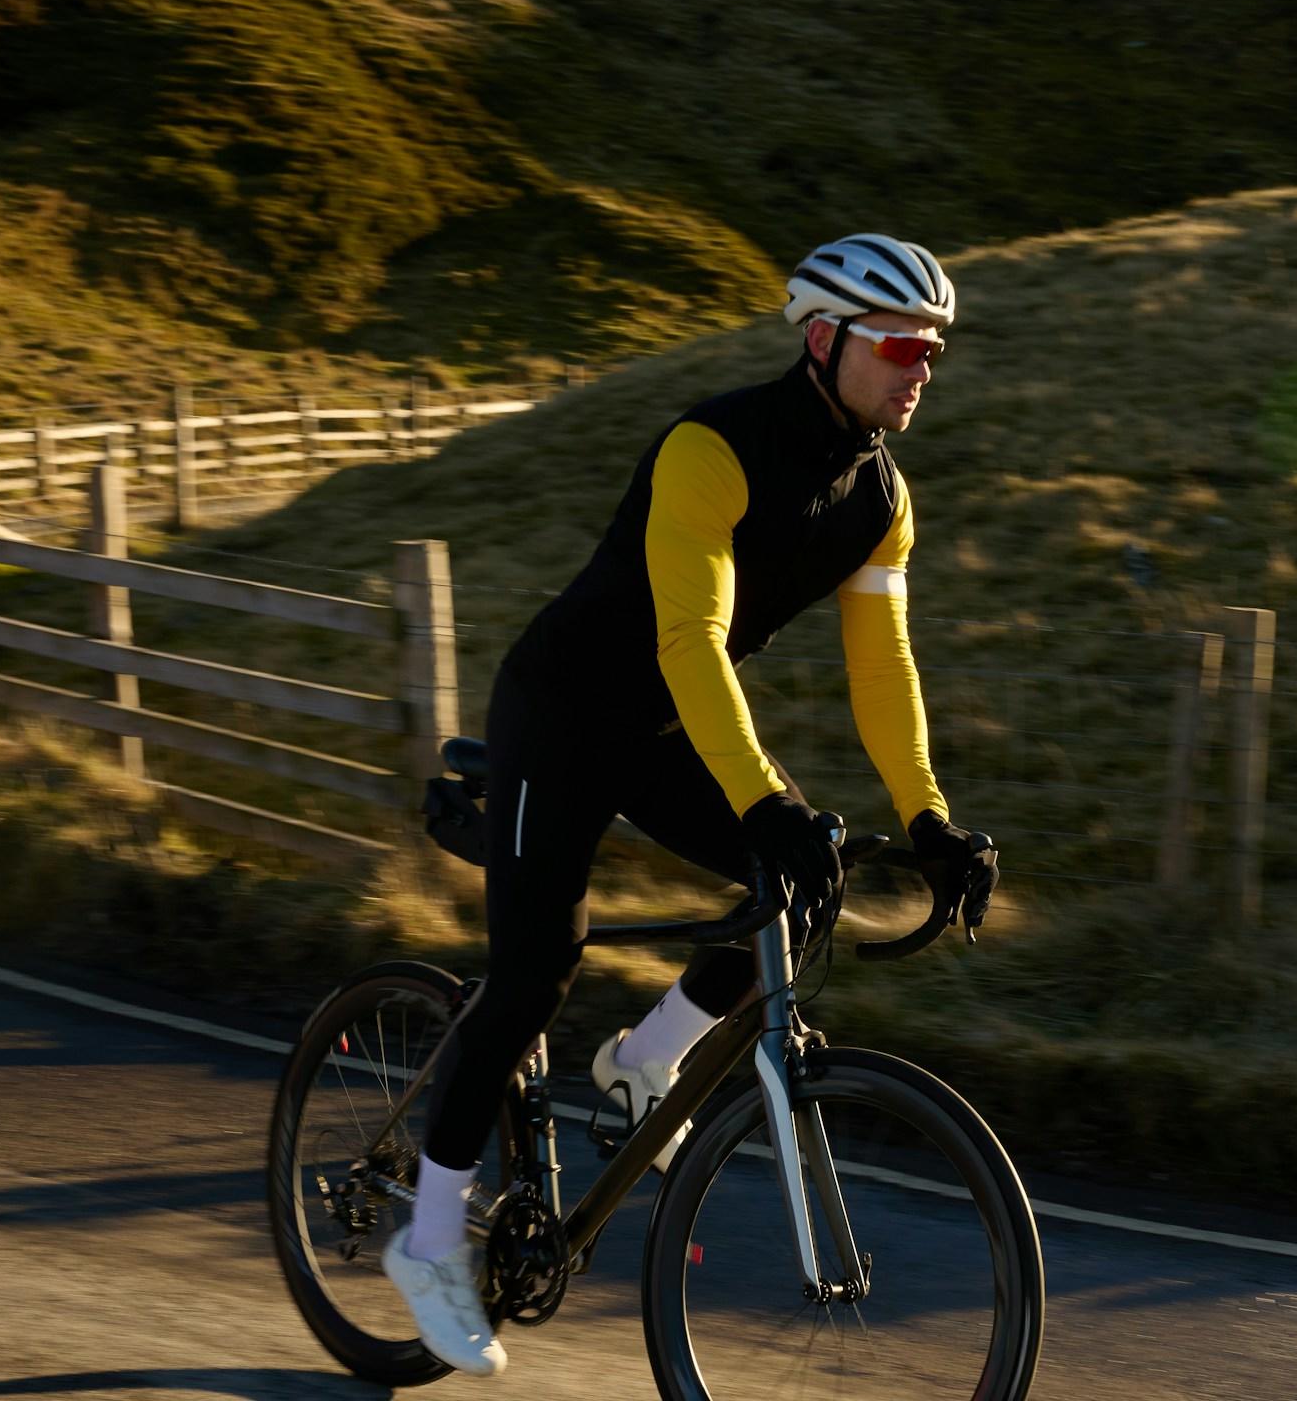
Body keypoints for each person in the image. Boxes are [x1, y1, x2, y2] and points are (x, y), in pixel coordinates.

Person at [384, 233, 1002, 1377]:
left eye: (937, 349)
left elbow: (885, 669)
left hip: (672, 728)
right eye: (905, 344)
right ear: (825, 340)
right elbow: (692, 638)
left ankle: (645, 1057)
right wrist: (763, 795)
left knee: (803, 885)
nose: (925, 366)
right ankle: (425, 1243)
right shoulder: (712, 448)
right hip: (565, 713)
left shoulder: (878, 497)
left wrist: (929, 820)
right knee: (532, 973)